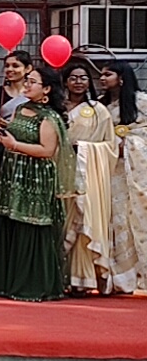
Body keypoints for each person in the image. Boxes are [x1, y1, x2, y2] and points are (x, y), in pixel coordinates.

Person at [0, 66, 74, 302]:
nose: (27, 85)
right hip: (14, 174)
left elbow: (46, 150)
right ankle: (7, 283)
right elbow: (10, 135)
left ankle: (33, 285)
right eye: (27, 81)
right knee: (11, 222)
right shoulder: (21, 109)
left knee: (31, 226)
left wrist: (14, 146)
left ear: (47, 89)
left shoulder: (49, 117)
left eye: (32, 81)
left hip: (36, 178)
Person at [63, 60, 114, 295]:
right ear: (65, 81)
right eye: (73, 77)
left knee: (85, 222)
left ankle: (83, 279)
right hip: (62, 172)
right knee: (63, 222)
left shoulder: (98, 110)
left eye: (83, 78)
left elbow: (110, 146)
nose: (78, 82)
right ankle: (62, 277)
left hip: (88, 174)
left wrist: (83, 148)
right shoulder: (57, 108)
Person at [99, 60, 147, 293]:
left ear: (121, 78)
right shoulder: (102, 106)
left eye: (107, 74)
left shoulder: (142, 101)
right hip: (112, 170)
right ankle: (122, 277)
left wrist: (129, 143)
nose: (102, 78)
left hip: (138, 169)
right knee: (117, 219)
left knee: (139, 216)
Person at [0, 50, 33, 120]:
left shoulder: (33, 92)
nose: (9, 69)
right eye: (7, 66)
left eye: (15, 66)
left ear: (28, 68)